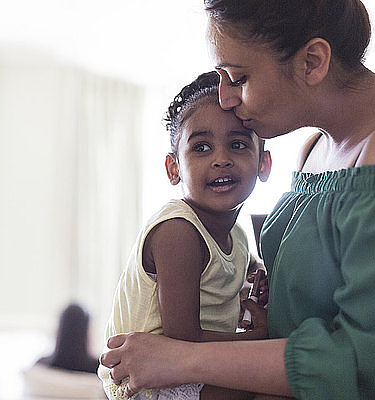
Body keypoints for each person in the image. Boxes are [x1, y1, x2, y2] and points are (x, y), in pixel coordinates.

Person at [100, 1, 375, 399]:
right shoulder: (314, 150)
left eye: (238, 77)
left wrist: (182, 359)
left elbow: (371, 366)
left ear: (312, 62)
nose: (226, 99)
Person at [97, 71, 272, 400]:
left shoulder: (236, 233)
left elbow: (229, 269)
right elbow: (183, 341)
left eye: (237, 144)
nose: (221, 160)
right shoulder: (178, 231)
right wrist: (259, 340)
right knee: (270, 388)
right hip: (153, 379)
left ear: (263, 163)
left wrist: (256, 271)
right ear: (173, 169)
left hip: (188, 367)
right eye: (202, 147)